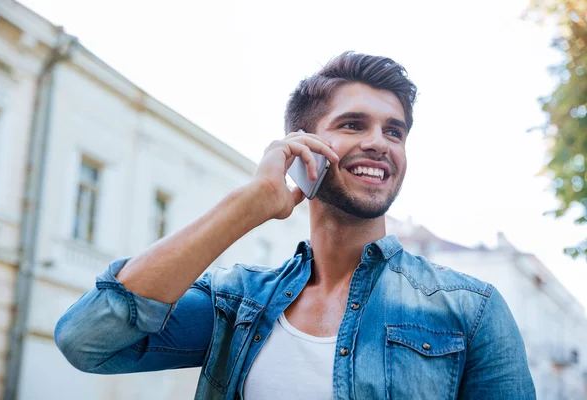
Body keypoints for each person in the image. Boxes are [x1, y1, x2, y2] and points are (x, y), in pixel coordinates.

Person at [55, 52, 536, 400]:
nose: (380, 143)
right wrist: (248, 205)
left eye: (395, 131)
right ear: (302, 149)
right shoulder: (236, 303)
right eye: (353, 125)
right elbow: (87, 342)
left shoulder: (471, 311)